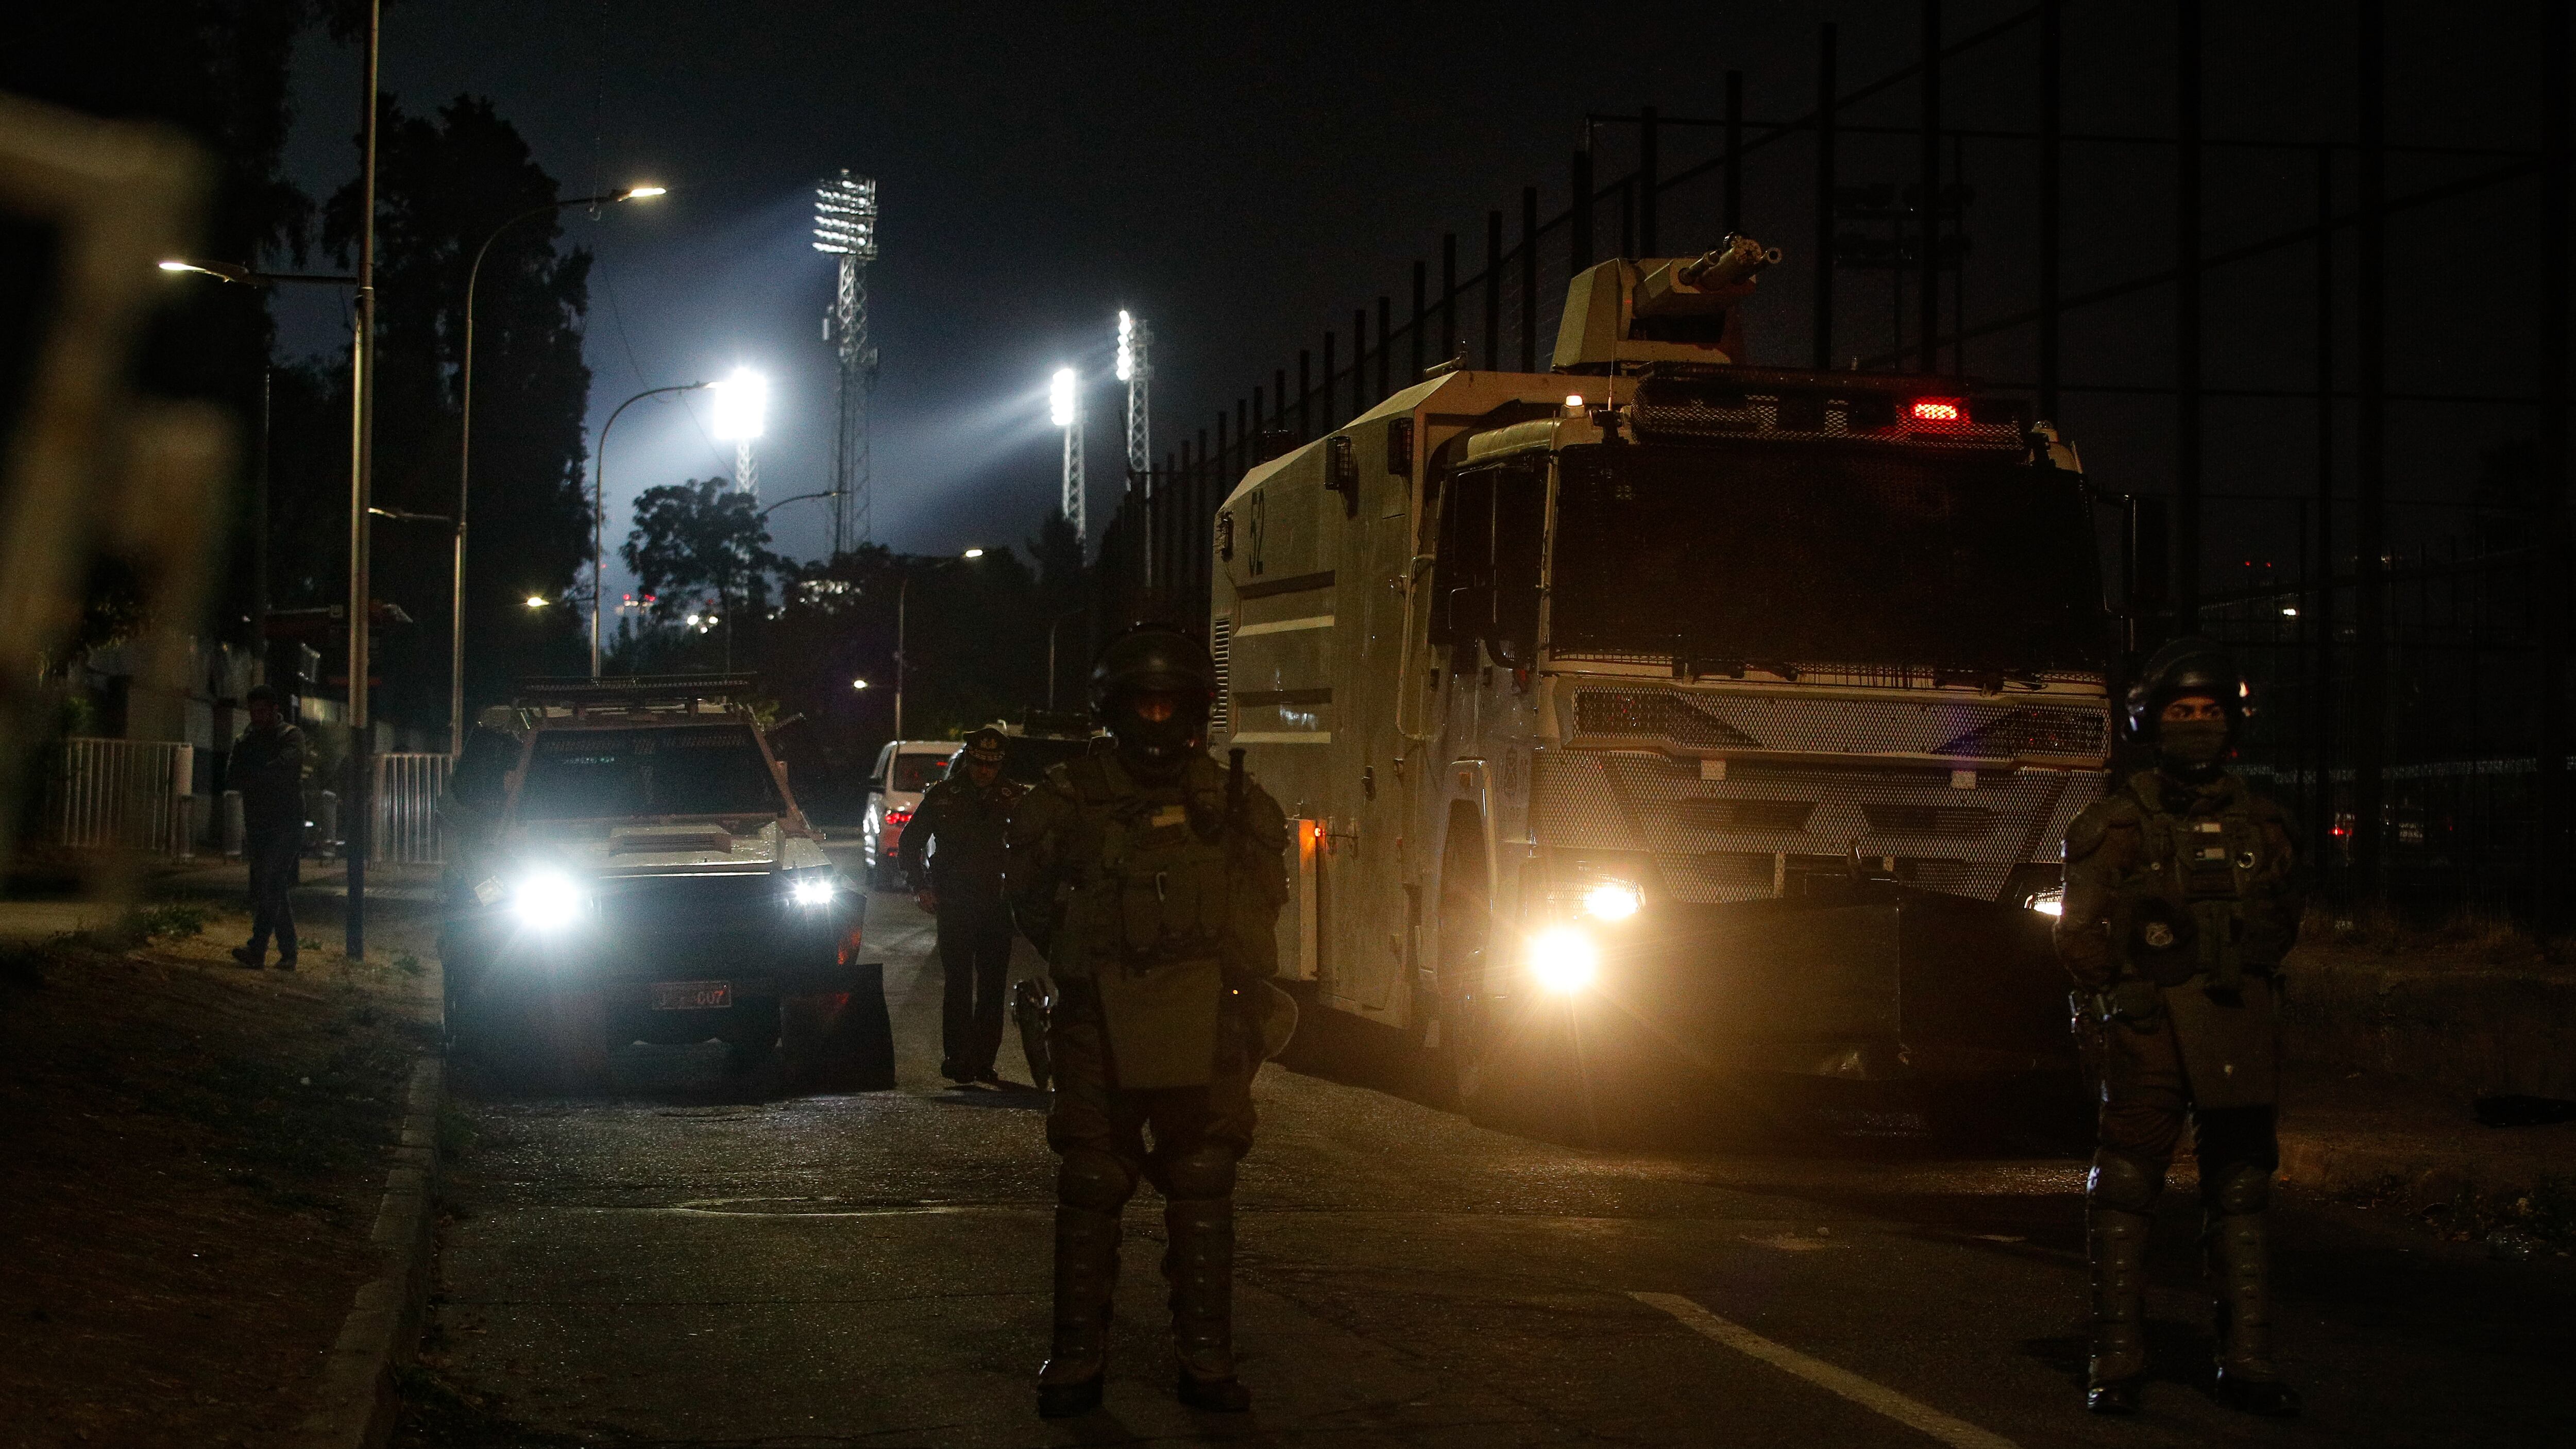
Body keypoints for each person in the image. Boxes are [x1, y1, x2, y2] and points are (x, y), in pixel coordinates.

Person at [1006, 626, 1292, 1419]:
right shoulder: (1068, 796)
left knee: (1202, 1179)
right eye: (1145, 702)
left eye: (1172, 704)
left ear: (1194, 710)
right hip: (1098, 1018)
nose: (1158, 719)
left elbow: (1262, 905)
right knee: (1091, 1179)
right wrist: (1093, 964)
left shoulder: (1234, 802)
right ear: (1115, 707)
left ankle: (1206, 1360)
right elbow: (1029, 898)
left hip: (1206, 1019)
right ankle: (1076, 1359)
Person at [2056, 637, 2306, 1418]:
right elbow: (2078, 932)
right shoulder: (2116, 824)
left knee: (2241, 1185)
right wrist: (2122, 998)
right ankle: (2115, 1356)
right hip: (2149, 1028)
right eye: (2181, 710)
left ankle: (2248, 1360)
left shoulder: (2265, 823)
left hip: (2234, 1024)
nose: (2196, 723)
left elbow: (2280, 920)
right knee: (2127, 1182)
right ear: (2151, 722)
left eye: (2208, 710)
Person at [900, 724, 1026, 1085]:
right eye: (979, 763)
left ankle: (984, 1059)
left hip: (997, 904)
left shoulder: (1016, 798)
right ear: (969, 760)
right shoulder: (944, 796)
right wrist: (921, 887)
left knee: (992, 985)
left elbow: (1035, 849)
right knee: (957, 982)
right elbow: (910, 843)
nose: (984, 771)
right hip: (955, 901)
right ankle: (957, 1057)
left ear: (1001, 764)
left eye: (992, 764)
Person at [228, 684, 307, 970]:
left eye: (262, 710)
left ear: (274, 710)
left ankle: (259, 948)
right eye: (254, 711)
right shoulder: (247, 739)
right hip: (260, 821)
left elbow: (285, 768)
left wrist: (256, 774)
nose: (257, 716)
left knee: (272, 881)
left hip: (287, 821)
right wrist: (261, 774)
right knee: (272, 885)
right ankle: (287, 952)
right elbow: (233, 775)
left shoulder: (291, 736)